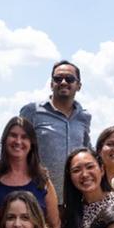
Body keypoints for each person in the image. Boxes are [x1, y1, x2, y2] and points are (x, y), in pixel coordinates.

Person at [20, 60, 92, 195]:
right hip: (37, 195)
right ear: (51, 84)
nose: (63, 82)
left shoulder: (84, 117)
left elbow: (87, 151)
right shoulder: (32, 111)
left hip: (75, 197)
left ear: (79, 86)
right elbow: (14, 148)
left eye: (69, 79)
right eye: (58, 78)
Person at [0, 116, 62, 228]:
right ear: (5, 140)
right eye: (13, 135)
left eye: (24, 137)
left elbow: (54, 224)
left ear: (31, 143)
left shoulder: (42, 181)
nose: (18, 141)